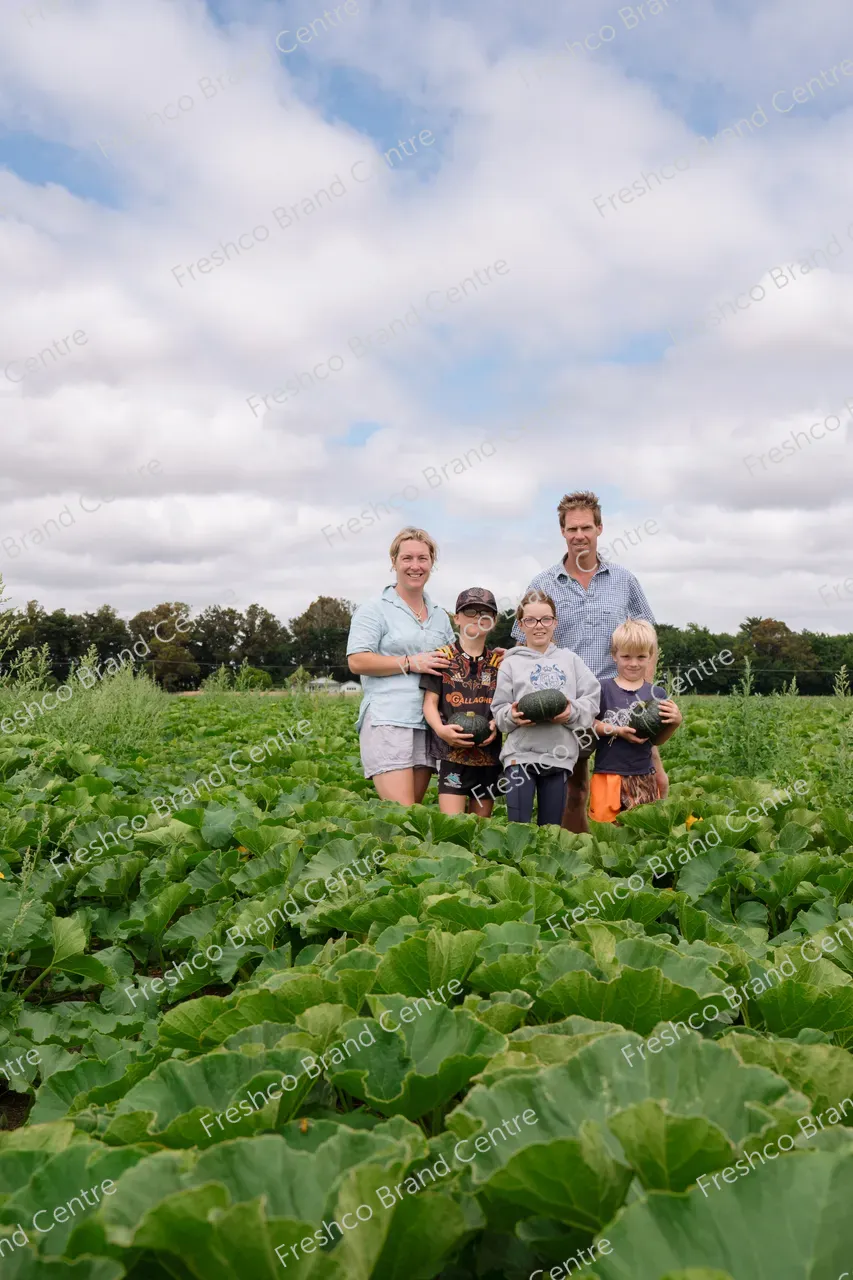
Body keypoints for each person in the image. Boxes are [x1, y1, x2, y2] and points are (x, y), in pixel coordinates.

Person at [514, 490, 662, 833]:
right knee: (574, 788)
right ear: (562, 532)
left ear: (599, 528)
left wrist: (645, 693)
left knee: (630, 783)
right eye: (572, 529)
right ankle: (575, 853)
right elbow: (524, 645)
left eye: (586, 527)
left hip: (619, 699)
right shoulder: (543, 584)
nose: (579, 535)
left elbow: (649, 640)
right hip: (568, 702)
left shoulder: (624, 580)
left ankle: (621, 850)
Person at [346, 527, 454, 804]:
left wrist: (496, 658)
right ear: (393, 562)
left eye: (422, 558)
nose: (415, 566)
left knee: (412, 813)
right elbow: (357, 661)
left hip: (427, 723)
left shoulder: (440, 616)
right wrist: (411, 662)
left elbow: (455, 661)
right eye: (407, 558)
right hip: (388, 719)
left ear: (431, 563)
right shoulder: (374, 609)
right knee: (400, 812)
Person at [491, 590, 600, 826]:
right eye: (530, 620)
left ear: (555, 622)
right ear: (521, 625)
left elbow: (592, 701)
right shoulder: (510, 663)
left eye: (545, 619)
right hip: (519, 757)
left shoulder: (571, 660)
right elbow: (499, 712)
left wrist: (571, 713)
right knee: (518, 828)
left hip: (559, 756)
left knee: (550, 831)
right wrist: (513, 716)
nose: (539, 626)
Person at [420, 588, 503, 817]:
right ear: (457, 618)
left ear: (494, 621)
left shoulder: (501, 663)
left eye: (485, 613)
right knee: (453, 824)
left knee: (481, 828)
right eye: (470, 612)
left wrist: (497, 723)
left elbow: (506, 703)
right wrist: (441, 730)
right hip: (452, 755)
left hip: (489, 757)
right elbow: (429, 703)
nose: (478, 618)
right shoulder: (441, 658)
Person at [590, 619, 683, 823]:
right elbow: (590, 724)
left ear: (650, 656)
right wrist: (616, 730)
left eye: (641, 657)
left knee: (642, 831)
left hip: (643, 775)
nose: (634, 663)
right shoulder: (602, 688)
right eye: (626, 656)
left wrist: (675, 723)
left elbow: (656, 740)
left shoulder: (657, 694)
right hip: (607, 775)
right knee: (606, 832)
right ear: (614, 655)